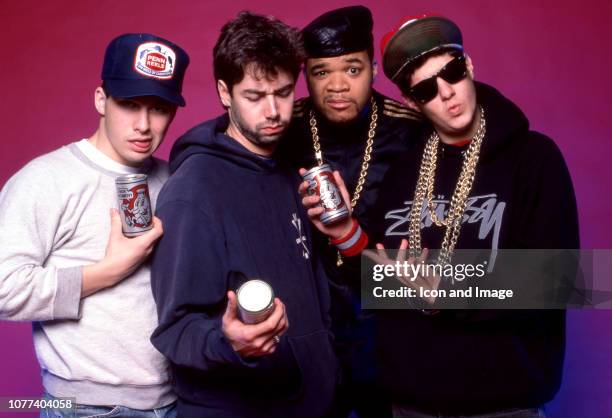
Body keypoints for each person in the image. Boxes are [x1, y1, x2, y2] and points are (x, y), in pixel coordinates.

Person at [365, 15, 578, 417]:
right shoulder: (399, 175)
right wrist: (345, 234)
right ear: (413, 102)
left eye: (453, 71)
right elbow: (376, 282)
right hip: (411, 404)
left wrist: (447, 291)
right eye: (427, 89)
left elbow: (560, 280)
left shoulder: (534, 159)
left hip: (503, 404)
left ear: (471, 66)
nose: (447, 93)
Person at [149, 12, 340, 418]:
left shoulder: (292, 168)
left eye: (284, 92)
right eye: (254, 96)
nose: (273, 111)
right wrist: (229, 342)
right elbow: (175, 329)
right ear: (224, 91)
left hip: (313, 404)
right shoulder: (192, 191)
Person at [0, 33, 189, 417]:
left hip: (175, 402)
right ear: (101, 100)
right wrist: (107, 271)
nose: (143, 125)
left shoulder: (176, 181)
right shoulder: (46, 179)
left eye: (159, 108)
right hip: (86, 407)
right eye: (129, 104)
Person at [276, 6, 422, 417]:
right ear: (306, 75)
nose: (337, 85)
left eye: (352, 70)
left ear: (373, 69)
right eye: (322, 72)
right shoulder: (284, 129)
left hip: (389, 326)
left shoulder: (410, 130)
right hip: (307, 327)